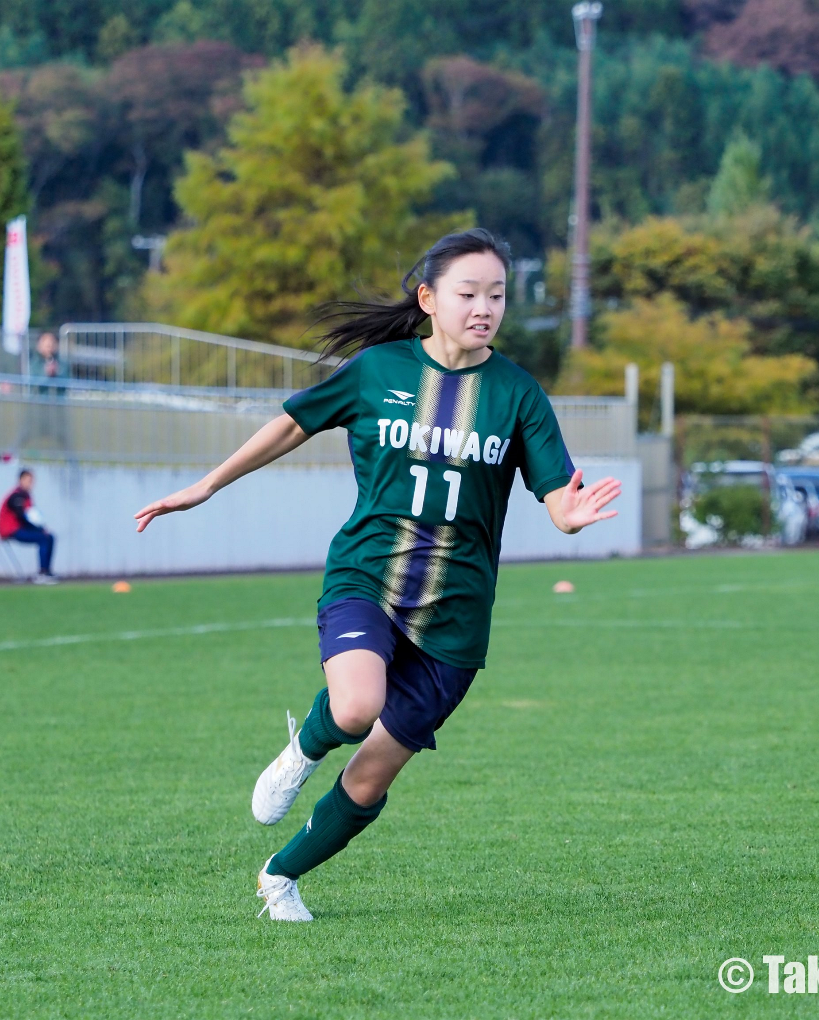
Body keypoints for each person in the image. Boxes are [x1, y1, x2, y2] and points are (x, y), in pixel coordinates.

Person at [134, 228, 621, 921]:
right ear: (428, 299)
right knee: (356, 708)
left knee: (371, 775)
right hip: (369, 575)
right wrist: (208, 485)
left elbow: (555, 495)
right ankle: (304, 745)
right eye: (469, 293)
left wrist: (568, 516)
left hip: (455, 619)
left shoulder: (518, 395)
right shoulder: (378, 372)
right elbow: (290, 425)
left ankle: (280, 876)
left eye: (498, 295)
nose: (485, 307)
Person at [0, 469, 58, 584]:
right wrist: (40, 530)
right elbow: (23, 518)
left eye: (32, 480)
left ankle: (47, 571)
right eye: (29, 480)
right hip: (11, 530)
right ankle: (42, 573)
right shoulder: (16, 496)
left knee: (50, 537)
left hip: (20, 528)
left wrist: (42, 528)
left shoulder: (26, 496)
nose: (31, 483)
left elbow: (32, 516)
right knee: (43, 538)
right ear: (21, 480)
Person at [19, 331, 70, 452]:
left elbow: (66, 382)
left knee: (64, 436)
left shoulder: (62, 363)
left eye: (52, 342)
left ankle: (72, 464)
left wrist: (56, 374)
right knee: (27, 432)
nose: (49, 345)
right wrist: (46, 374)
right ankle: (10, 457)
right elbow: (32, 382)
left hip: (57, 407)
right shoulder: (34, 362)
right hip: (37, 406)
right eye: (45, 342)